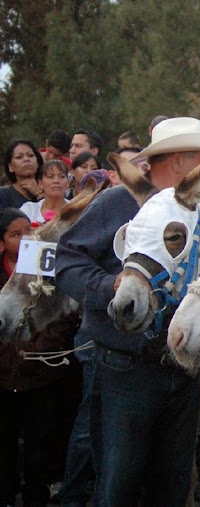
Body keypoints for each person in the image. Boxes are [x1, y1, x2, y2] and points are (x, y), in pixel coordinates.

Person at [55, 117, 200, 507]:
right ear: (178, 162)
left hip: (183, 371)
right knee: (118, 484)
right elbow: (67, 262)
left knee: (172, 487)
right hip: (126, 367)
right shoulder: (117, 202)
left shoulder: (199, 214)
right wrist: (111, 286)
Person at [0, 208, 81, 507]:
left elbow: (63, 316)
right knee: (5, 443)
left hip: (42, 375)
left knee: (40, 443)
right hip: (5, 376)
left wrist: (34, 352)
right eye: (16, 234)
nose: (26, 239)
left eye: (28, 231)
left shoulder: (48, 270)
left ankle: (38, 494)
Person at [20, 159, 69, 223]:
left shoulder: (77, 210)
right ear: (40, 183)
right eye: (50, 177)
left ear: (68, 183)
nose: (56, 181)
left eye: (62, 176)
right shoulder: (29, 209)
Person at [0, 139, 45, 210]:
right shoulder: (3, 195)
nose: (26, 159)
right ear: (10, 167)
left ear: (38, 163)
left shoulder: (49, 190)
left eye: (30, 155)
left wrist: (39, 193)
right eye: (19, 157)